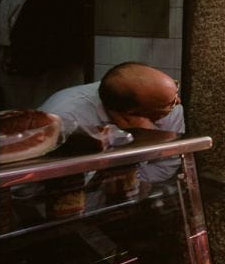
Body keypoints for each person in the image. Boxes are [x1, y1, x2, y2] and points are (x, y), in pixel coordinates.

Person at [39, 62, 185, 184]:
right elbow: (28, 188)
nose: (177, 101)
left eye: (175, 87)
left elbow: (166, 166)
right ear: (132, 112)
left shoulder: (170, 104)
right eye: (170, 104)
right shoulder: (65, 116)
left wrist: (147, 140)